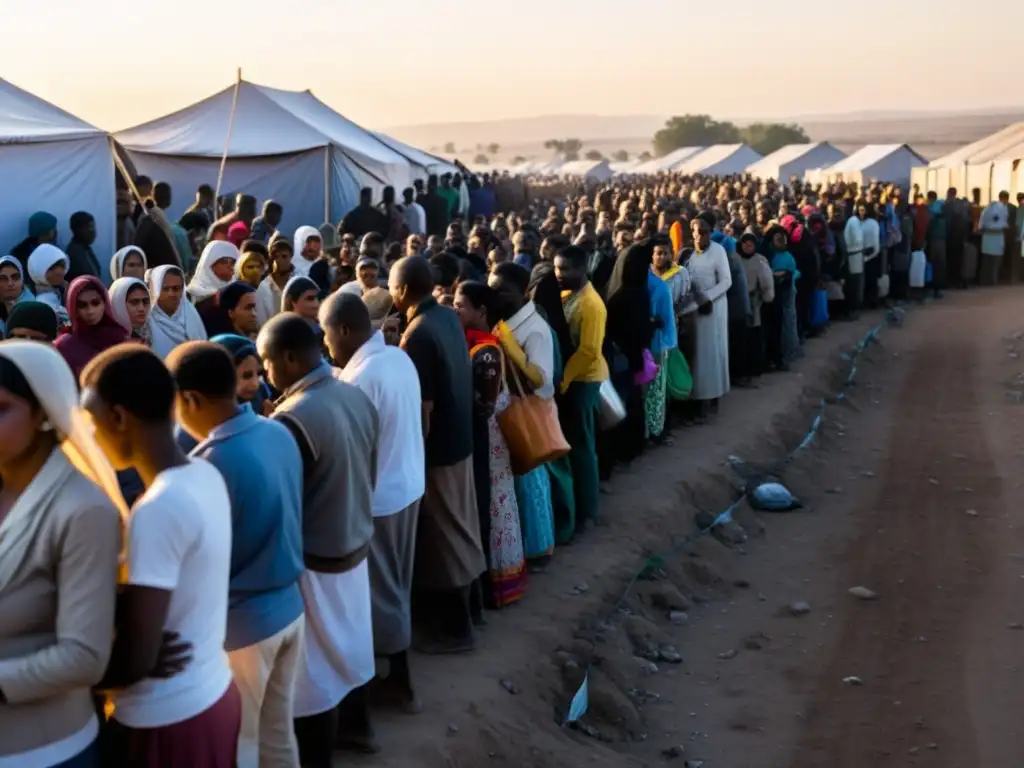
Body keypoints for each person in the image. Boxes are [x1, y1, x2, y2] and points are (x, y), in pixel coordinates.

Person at [81, 345, 240, 767]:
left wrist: (77, 682)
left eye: (92, 422)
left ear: (117, 418)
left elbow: (137, 659)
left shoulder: (157, 509)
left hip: (168, 718)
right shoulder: (203, 474)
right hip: (212, 693)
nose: (91, 437)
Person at [167, 341, 306, 768]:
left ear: (189, 400)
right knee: (279, 737)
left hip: (243, 630)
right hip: (290, 611)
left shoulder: (210, 461)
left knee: (239, 747)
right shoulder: (276, 430)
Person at [256, 314, 379, 762]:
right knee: (350, 649)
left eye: (267, 363)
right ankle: (359, 729)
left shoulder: (291, 419)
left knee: (313, 677)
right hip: (355, 545)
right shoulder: (354, 394)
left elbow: (284, 506)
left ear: (289, 358)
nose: (266, 374)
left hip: (315, 561)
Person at [0, 341, 124, 768]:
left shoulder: (81, 510)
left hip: (44, 751)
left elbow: (84, 657)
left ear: (42, 414)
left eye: (1, 408)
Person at [321, 291, 425, 714]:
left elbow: (353, 448)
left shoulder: (363, 378)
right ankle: (397, 675)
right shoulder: (395, 358)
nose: (327, 345)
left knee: (381, 594)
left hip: (381, 498)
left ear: (344, 330)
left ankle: (399, 684)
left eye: (328, 336)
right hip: (407, 486)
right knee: (396, 586)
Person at [390, 256, 485, 653]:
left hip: (439, 450)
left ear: (402, 290)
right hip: (461, 440)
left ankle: (457, 631)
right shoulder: (447, 317)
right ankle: (472, 612)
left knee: (445, 538)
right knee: (463, 526)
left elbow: (422, 410)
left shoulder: (418, 335)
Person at [453, 281, 527, 607]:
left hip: (492, 441)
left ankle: (500, 583)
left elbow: (484, 406)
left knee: (495, 506)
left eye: (461, 305)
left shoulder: (485, 350)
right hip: (488, 438)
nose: (456, 310)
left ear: (481, 311)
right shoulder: (474, 343)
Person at [488, 262, 559, 565]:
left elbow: (541, 378)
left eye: (501, 290)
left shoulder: (535, 329)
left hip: (529, 410)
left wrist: (512, 351)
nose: (495, 296)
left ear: (523, 292)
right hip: (511, 410)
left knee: (532, 484)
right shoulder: (506, 321)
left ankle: (540, 546)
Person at [555, 245, 607, 533]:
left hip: (583, 380)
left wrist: (563, 381)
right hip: (573, 379)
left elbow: (588, 351)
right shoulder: (569, 295)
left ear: (582, 269)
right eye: (557, 268)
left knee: (583, 448)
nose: (558, 274)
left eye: (565, 269)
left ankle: (587, 512)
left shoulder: (591, 304)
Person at [604, 242, 655, 466]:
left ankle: (619, 450)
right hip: (630, 356)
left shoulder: (613, 289)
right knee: (631, 400)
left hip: (616, 356)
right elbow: (640, 330)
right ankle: (629, 449)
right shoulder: (637, 293)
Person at [682, 216, 731, 417]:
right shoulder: (689, 255)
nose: (700, 235)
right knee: (696, 356)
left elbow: (726, 281)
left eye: (704, 231)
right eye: (696, 231)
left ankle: (712, 399)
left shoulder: (718, 251)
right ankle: (697, 399)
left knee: (710, 353)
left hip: (714, 308)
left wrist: (708, 298)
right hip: (694, 310)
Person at [54, 276, 130, 377]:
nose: (90, 311)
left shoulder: (120, 339)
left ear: (105, 304)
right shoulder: (65, 345)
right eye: (82, 305)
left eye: (95, 303)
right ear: (73, 308)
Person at [148, 265, 208, 358]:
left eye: (176, 288)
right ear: (155, 290)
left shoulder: (190, 312)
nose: (171, 294)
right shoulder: (148, 320)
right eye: (165, 289)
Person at [737, 232, 774, 378]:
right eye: (744, 243)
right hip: (739, 302)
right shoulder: (736, 259)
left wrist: (766, 298)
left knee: (754, 336)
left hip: (754, 302)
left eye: (750, 244)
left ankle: (755, 367)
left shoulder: (760, 261)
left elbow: (767, 283)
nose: (747, 246)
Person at [210, 334, 273, 416]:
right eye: (246, 376)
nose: (255, 384)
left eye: (258, 374)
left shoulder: (261, 392)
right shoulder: (217, 413)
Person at [189, 241, 240, 314]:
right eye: (223, 262)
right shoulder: (193, 293)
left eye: (233, 262)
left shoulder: (240, 290)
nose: (229, 266)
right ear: (209, 264)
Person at [27, 243, 71, 328]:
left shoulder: (60, 291)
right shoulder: (44, 301)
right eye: (51, 268)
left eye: (62, 266)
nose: (60, 271)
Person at [255, 234, 294, 327]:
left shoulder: (297, 282)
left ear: (290, 258)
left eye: (284, 256)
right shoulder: (264, 287)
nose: (279, 260)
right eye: (276, 256)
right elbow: (261, 321)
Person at [9, 211, 58, 276]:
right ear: (45, 232)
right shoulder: (21, 256)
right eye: (53, 228)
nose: (56, 231)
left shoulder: (53, 249)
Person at [110, 276, 153, 346]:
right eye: (134, 302)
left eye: (145, 302)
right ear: (118, 304)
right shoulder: (109, 340)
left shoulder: (153, 332)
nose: (141, 308)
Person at [979, 191, 1010, 285]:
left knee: (987, 261)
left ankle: (984, 280)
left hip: (987, 236)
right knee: (996, 262)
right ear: (1006, 199)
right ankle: (993, 280)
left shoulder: (988, 207)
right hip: (998, 236)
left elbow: (982, 223)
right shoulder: (1004, 208)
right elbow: (1004, 222)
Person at [0, 255, 34, 335]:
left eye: (15, 277)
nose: (10, 283)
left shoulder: (33, 309)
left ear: (22, 280)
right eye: (3, 279)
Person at [65, 211, 102, 282]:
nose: (93, 232)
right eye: (90, 227)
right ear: (78, 229)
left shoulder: (86, 249)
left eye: (93, 227)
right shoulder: (75, 254)